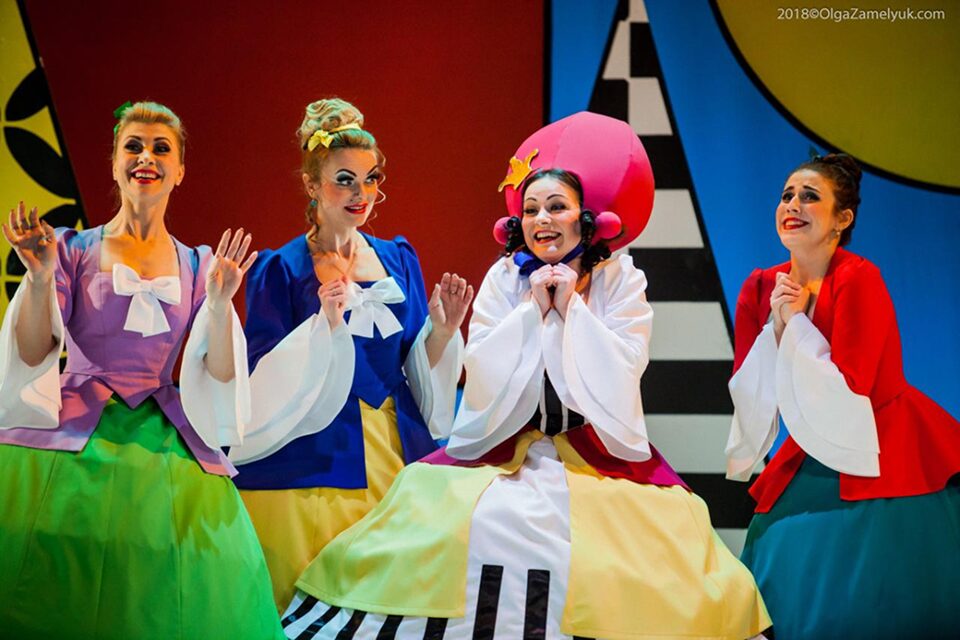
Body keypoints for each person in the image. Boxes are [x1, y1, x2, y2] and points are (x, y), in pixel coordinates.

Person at [279, 112, 770, 639]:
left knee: (634, 551)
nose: (542, 220)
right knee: (461, 523)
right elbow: (482, 366)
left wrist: (572, 309)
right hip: (504, 441)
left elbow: (627, 365)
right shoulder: (504, 277)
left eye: (557, 207)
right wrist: (532, 311)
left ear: (585, 219)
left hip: (598, 450)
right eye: (531, 209)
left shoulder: (620, 278)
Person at [0, 101, 282, 638]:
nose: (146, 157)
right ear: (113, 163)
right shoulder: (72, 249)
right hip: (76, 428)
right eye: (133, 146)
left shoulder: (199, 264)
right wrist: (37, 278)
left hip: (165, 436)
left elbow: (220, 373)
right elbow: (34, 353)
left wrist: (220, 304)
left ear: (180, 170)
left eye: (160, 148)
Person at [229, 98, 470, 612]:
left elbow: (414, 361)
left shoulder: (398, 258)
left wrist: (444, 331)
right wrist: (324, 328)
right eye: (345, 180)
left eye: (371, 179)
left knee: (390, 598)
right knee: (308, 599)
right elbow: (261, 372)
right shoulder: (280, 268)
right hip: (314, 453)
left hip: (396, 446)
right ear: (312, 185)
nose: (361, 194)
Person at [726, 153, 960, 638]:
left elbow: (854, 388)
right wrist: (777, 327)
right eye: (787, 195)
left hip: (884, 442)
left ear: (842, 219)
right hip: (813, 445)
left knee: (884, 592)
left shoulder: (857, 278)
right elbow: (751, 387)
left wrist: (796, 324)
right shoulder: (761, 286)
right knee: (782, 565)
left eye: (810, 197)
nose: (793, 204)